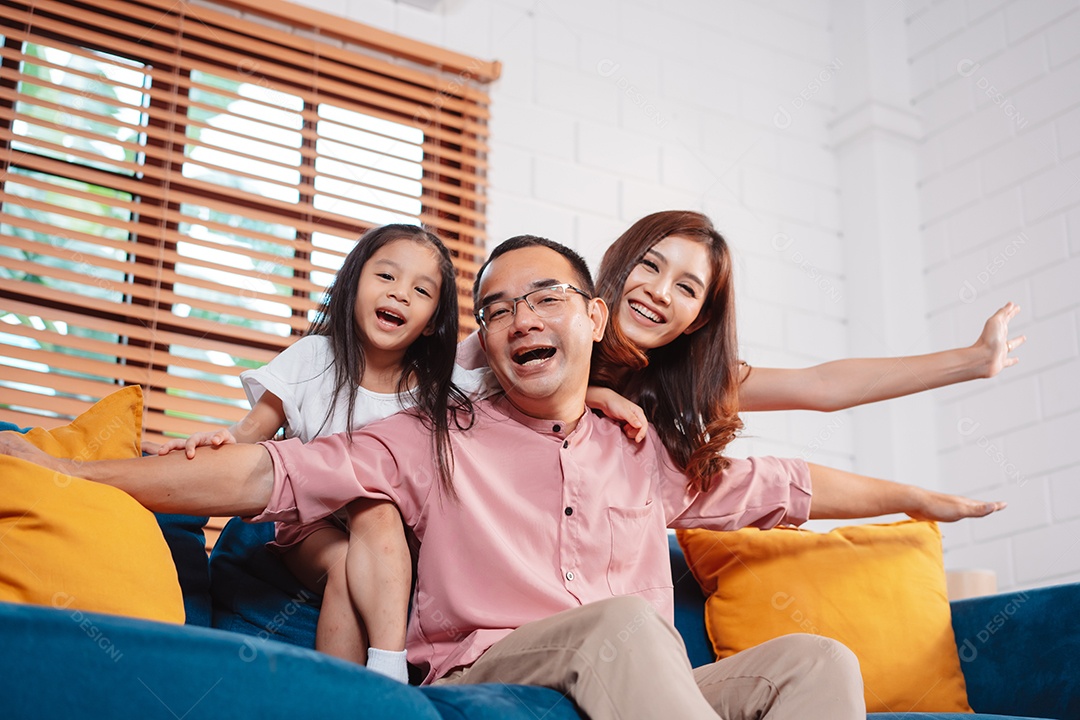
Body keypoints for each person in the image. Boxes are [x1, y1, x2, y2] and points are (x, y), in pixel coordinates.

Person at [0, 236, 1004, 720]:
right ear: (481, 339)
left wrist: (918, 498)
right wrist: (81, 474)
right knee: (622, 624)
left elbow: (786, 485)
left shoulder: (642, 447)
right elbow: (268, 473)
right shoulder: (431, 434)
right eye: (498, 305)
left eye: (547, 297)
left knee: (819, 661)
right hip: (492, 665)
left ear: (595, 322)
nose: (524, 315)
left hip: (649, 684)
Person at [148, 223, 480, 681]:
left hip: (395, 545)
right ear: (353, 283)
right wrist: (212, 443)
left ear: (433, 323)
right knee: (348, 554)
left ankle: (373, 680)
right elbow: (249, 433)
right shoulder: (313, 358)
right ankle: (382, 679)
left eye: (420, 290)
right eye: (386, 277)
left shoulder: (443, 388)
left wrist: (604, 398)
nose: (400, 294)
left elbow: (528, 378)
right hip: (310, 527)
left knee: (376, 506)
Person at [583, 210, 1026, 483]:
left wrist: (973, 360)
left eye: (686, 287)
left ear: (696, 319)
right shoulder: (561, 327)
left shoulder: (684, 380)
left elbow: (822, 386)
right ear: (620, 262)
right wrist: (588, 395)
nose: (660, 292)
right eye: (650, 265)